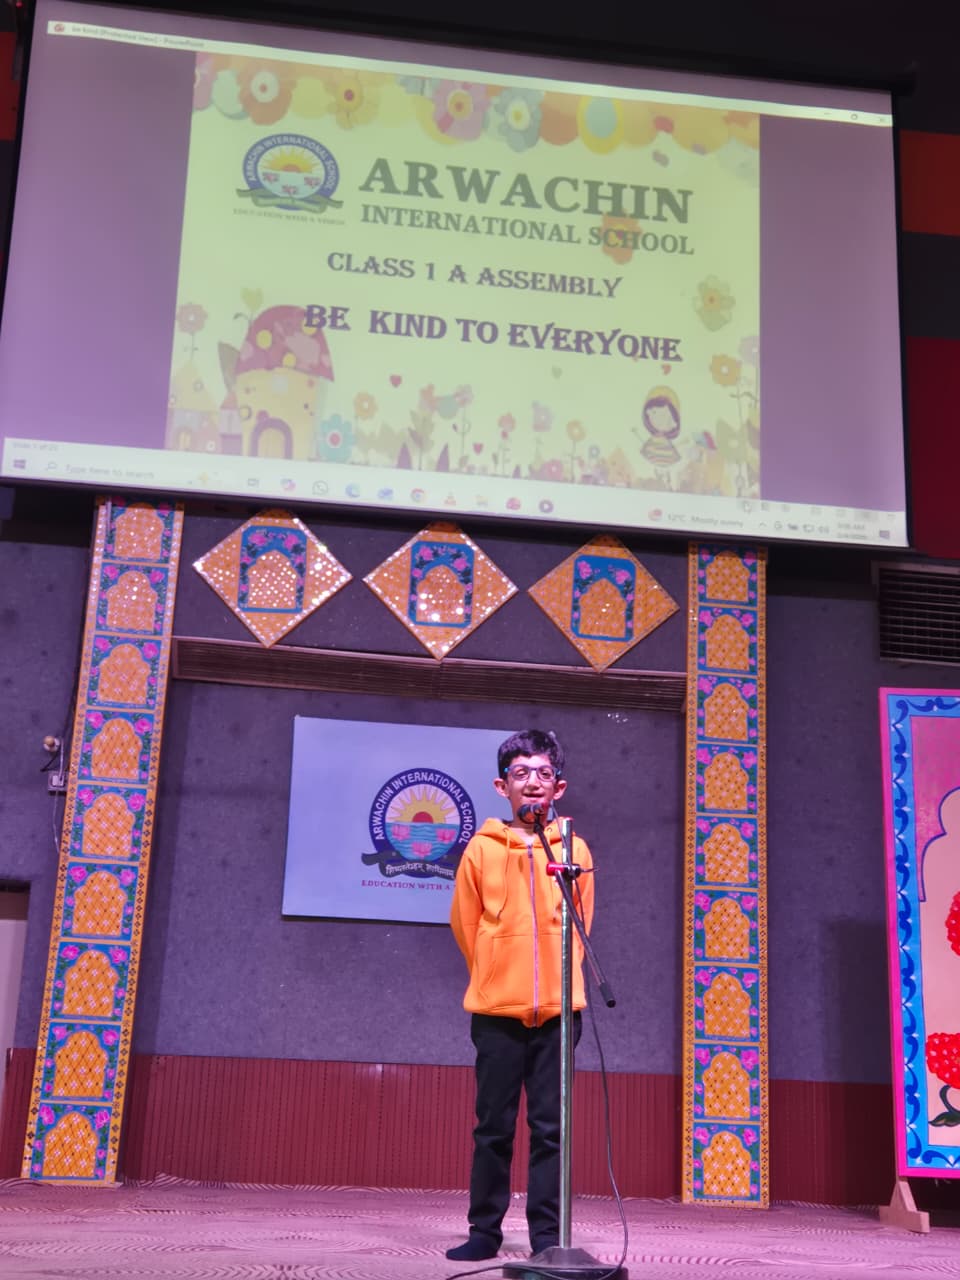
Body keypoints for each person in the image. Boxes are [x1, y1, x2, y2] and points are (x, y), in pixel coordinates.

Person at [446, 729, 594, 1261]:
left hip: (558, 1013)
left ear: (559, 787)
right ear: (502, 785)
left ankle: (547, 1238)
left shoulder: (573, 848)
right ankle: (484, 1231)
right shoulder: (481, 849)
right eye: (521, 773)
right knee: (493, 1127)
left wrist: (556, 983)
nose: (533, 782)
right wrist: (495, 972)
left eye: (544, 774)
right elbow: (466, 924)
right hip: (497, 1012)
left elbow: (581, 923)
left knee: (551, 1129)